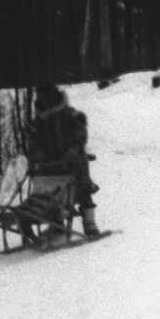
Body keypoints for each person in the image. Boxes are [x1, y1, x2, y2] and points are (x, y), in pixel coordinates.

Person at [26, 82, 100, 237]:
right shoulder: (37, 122)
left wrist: (72, 151)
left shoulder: (71, 115)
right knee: (46, 193)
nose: (42, 99)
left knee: (82, 188)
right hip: (48, 168)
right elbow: (33, 143)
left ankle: (89, 223)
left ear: (53, 95)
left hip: (72, 165)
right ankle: (56, 223)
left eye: (45, 95)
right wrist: (37, 155)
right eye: (40, 95)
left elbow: (80, 137)